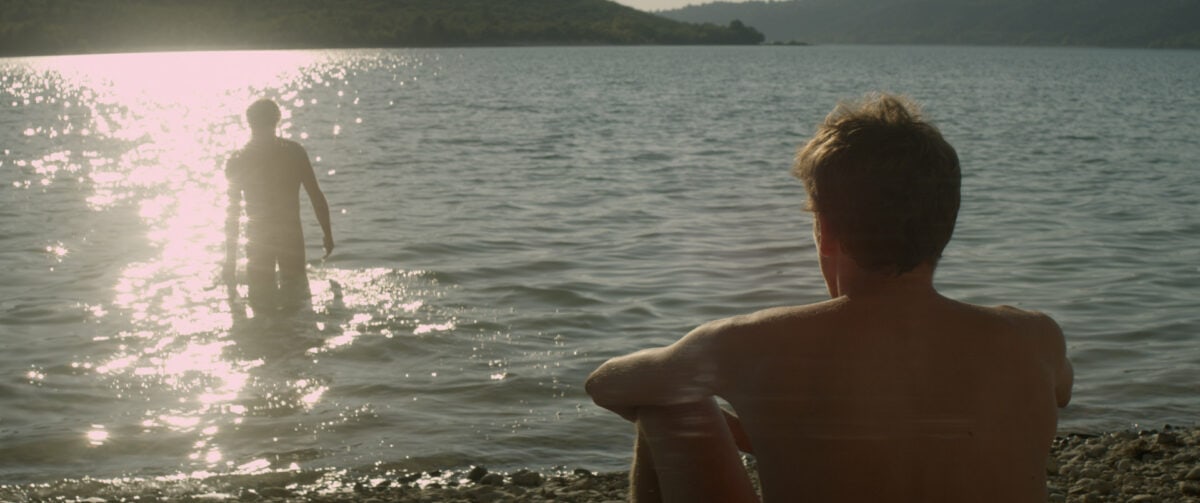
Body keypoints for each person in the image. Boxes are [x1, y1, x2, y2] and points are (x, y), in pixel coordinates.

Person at [585, 94, 1073, 502]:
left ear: (826, 229)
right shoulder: (1036, 336)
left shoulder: (752, 342)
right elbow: (1059, 393)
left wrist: (741, 418)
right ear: (945, 224)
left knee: (669, 404)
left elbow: (607, 385)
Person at [224, 98, 334, 313]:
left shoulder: (239, 158)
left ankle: (268, 340)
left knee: (260, 305)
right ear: (277, 120)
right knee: (297, 302)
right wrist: (327, 235)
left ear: (249, 122)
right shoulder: (294, 153)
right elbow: (316, 196)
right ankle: (293, 343)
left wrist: (230, 260)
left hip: (258, 240)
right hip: (290, 236)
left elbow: (233, 214)